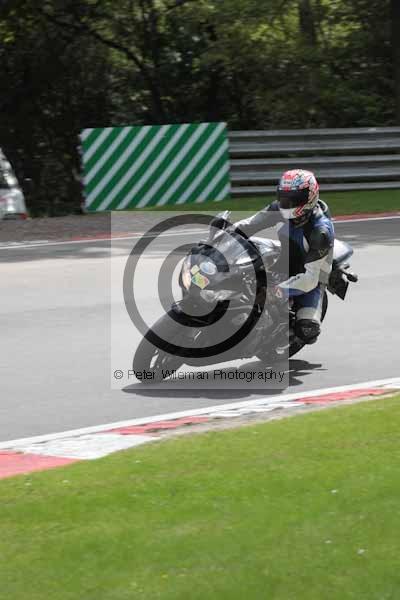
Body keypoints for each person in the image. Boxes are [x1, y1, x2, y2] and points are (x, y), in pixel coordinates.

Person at [233, 169, 335, 345]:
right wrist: (225, 230)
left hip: (311, 276)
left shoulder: (321, 232)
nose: (288, 203)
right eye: (284, 197)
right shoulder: (278, 208)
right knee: (242, 254)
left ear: (310, 197)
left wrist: (277, 291)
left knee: (306, 330)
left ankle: (279, 335)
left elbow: (310, 279)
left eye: (294, 199)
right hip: (284, 255)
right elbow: (248, 225)